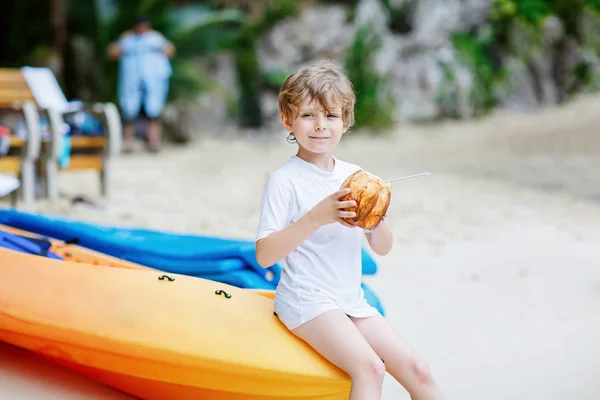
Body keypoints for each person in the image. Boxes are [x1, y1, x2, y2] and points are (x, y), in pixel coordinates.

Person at [255, 60, 447, 400]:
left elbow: (383, 248)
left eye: (330, 116)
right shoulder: (285, 181)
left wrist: (377, 218)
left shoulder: (355, 175)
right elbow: (265, 255)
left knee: (419, 370)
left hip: (349, 299)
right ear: (288, 120)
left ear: (345, 122)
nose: (320, 126)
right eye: (308, 115)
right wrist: (319, 215)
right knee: (369, 368)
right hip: (306, 300)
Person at [108, 15, 175, 153]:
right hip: (131, 80)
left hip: (152, 81)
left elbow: (170, 51)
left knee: (153, 112)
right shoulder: (128, 40)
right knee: (129, 113)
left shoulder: (155, 39)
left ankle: (154, 144)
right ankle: (127, 144)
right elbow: (112, 53)